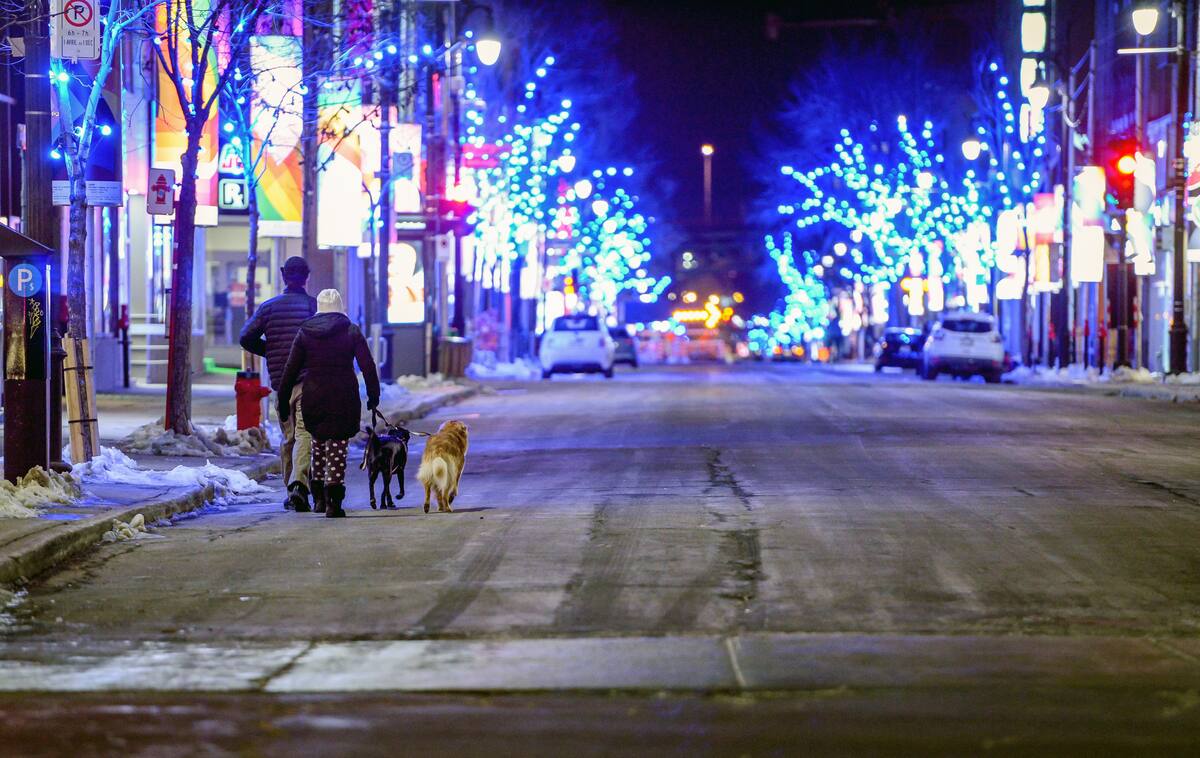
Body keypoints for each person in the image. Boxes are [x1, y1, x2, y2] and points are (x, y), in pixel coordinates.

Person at [277, 289, 380, 518]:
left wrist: (283, 401)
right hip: (343, 397)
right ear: (340, 307)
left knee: (318, 445)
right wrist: (374, 396)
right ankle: (334, 501)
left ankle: (319, 500)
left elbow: (290, 369)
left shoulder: (305, 333)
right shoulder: (351, 331)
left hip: (314, 396)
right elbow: (368, 366)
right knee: (337, 448)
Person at [239, 256, 317, 512]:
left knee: (289, 436)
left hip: (281, 383)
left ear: (283, 275)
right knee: (305, 434)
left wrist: (269, 351)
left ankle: (291, 488)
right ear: (306, 276)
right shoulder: (312, 306)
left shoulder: (268, 307)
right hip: (307, 381)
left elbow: (245, 337)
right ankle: (299, 486)